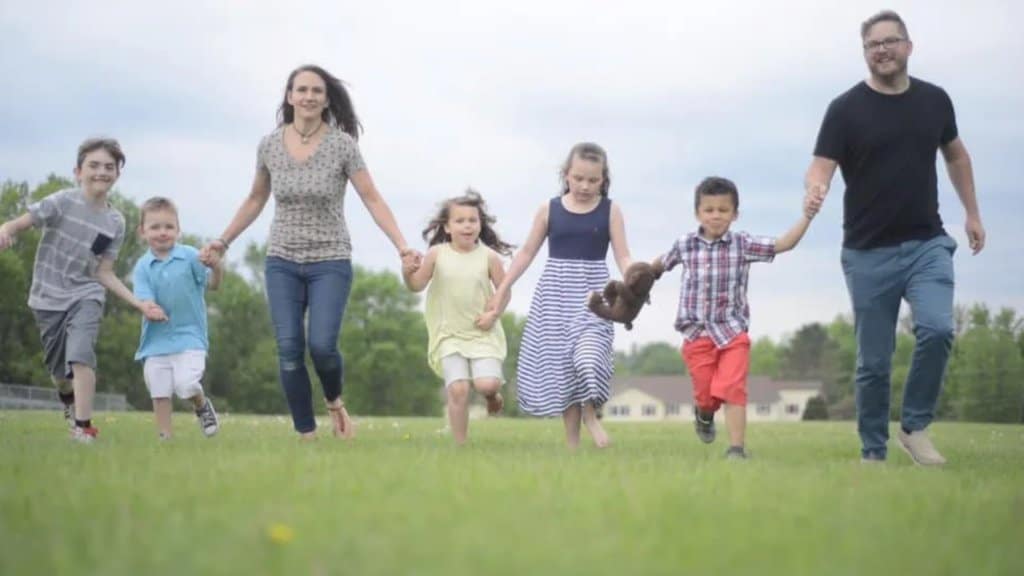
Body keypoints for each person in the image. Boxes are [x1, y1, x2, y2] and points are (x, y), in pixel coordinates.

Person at [199, 65, 419, 440]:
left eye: (317, 91)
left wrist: (401, 246)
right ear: (289, 96)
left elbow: (372, 197)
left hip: (330, 259)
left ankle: (334, 401)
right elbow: (256, 198)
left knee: (321, 345)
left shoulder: (342, 145)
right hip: (281, 258)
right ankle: (307, 434)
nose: (309, 96)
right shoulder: (269, 145)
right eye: (301, 90)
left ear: (326, 98)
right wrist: (224, 240)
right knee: (288, 348)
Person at [805, 10, 985, 465]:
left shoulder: (935, 101)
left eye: (890, 41)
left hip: (927, 243)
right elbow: (821, 164)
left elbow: (957, 156)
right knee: (874, 363)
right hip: (867, 253)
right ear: (865, 53)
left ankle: (915, 427)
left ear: (908, 46)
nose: (882, 50)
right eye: (872, 45)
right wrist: (816, 188)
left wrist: (972, 214)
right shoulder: (845, 109)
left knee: (939, 328)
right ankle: (873, 451)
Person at [0, 137, 166, 443]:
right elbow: (23, 221)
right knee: (60, 375)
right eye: (94, 165)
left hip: (85, 294)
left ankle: (83, 427)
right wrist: (6, 230)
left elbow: (103, 272)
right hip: (47, 297)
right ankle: (67, 398)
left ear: (117, 173)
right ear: (78, 171)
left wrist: (139, 304)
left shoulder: (115, 221)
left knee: (81, 356)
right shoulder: (61, 201)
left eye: (109, 166)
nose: (101, 171)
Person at [654, 177, 816, 459]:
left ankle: (736, 449)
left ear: (735, 214)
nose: (716, 216)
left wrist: (807, 215)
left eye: (723, 210)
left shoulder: (742, 244)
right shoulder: (685, 245)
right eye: (709, 210)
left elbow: (784, 244)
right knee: (706, 395)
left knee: (732, 388)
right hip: (697, 334)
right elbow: (658, 266)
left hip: (732, 333)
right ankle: (703, 414)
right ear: (698, 213)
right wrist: (637, 276)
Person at [487, 142, 632, 449]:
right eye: (578, 178)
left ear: (603, 180)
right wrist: (504, 287)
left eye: (593, 180)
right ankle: (572, 446)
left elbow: (623, 256)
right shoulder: (549, 209)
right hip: (554, 295)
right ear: (566, 175)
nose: (584, 185)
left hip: (594, 297)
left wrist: (635, 278)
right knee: (565, 369)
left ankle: (591, 415)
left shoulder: (611, 210)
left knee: (589, 357)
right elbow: (526, 252)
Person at [402, 190, 512, 445]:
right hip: (448, 334)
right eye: (460, 221)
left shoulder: (489, 257)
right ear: (448, 227)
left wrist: (493, 314)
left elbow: (504, 291)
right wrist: (407, 273)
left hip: (482, 333)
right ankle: (460, 445)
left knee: (486, 384)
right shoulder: (436, 254)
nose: (467, 225)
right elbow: (416, 285)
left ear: (480, 225)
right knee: (458, 388)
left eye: (472, 220)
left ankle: (492, 397)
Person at [133, 197, 222, 440]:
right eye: (155, 227)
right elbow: (144, 299)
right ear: (143, 232)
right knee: (159, 392)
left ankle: (201, 405)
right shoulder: (142, 267)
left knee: (186, 385)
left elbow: (213, 285)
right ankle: (165, 438)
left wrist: (216, 267)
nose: (162, 233)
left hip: (190, 337)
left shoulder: (191, 256)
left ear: (178, 230)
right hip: (155, 341)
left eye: (169, 227)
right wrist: (149, 309)